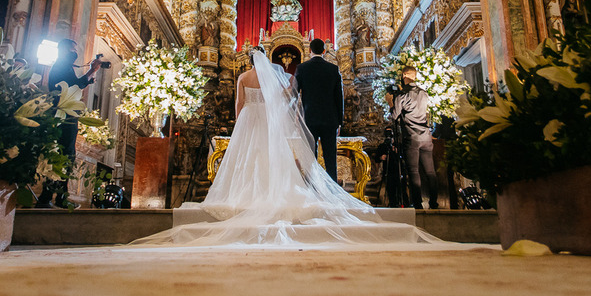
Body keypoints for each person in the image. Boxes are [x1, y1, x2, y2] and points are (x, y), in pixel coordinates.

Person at [132, 47, 440, 246]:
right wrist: (282, 116)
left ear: (249, 60)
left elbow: (238, 104)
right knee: (272, 157)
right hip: (270, 120)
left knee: (248, 158)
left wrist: (241, 122)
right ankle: (282, 191)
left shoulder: (243, 77)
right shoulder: (280, 78)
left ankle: (245, 195)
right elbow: (285, 99)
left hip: (249, 119)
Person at [34, 39, 104, 208]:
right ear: (65, 50)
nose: (75, 53)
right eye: (73, 50)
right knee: (64, 156)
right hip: (63, 116)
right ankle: (54, 197)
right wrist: (91, 70)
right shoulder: (62, 66)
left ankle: (52, 196)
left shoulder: (64, 66)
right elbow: (74, 86)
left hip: (65, 114)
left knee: (65, 157)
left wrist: (89, 77)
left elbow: (75, 84)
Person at [293, 38, 344, 182]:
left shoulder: (302, 68)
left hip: (309, 119)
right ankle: (333, 188)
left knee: (310, 158)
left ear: (310, 51)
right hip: (330, 120)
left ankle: (312, 187)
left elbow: (294, 93)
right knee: (330, 158)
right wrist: (339, 122)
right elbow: (339, 97)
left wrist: (296, 116)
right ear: (324, 51)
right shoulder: (333, 69)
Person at [391, 65, 438, 209]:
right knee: (430, 171)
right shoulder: (423, 93)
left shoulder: (402, 95)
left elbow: (394, 116)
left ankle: (417, 203)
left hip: (411, 137)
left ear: (404, 75)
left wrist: (390, 102)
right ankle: (434, 202)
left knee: (413, 171)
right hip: (426, 136)